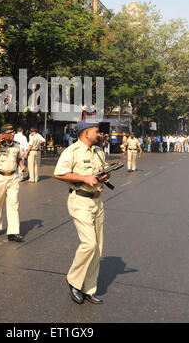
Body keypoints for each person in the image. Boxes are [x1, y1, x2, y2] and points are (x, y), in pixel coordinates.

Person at [54, 119, 110, 305]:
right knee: (89, 244)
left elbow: (100, 170)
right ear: (86, 133)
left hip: (97, 201)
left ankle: (89, 288)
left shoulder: (99, 151)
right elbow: (59, 173)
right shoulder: (72, 151)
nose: (99, 134)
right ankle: (73, 281)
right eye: (96, 131)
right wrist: (84, 178)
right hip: (80, 201)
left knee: (98, 248)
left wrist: (104, 175)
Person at [0, 123, 25, 242]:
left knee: (14, 204)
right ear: (3, 135)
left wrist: (21, 165)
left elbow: (18, 157)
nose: (13, 134)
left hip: (13, 177)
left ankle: (13, 232)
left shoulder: (16, 146)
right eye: (10, 133)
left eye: (13, 132)